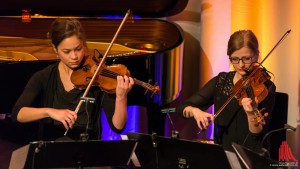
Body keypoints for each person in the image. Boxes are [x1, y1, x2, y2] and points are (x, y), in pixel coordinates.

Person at [11, 18, 134, 141]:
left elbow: (118, 127)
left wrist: (121, 98)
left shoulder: (97, 75)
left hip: (88, 149)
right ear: (55, 49)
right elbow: (18, 114)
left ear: (83, 44)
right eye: (67, 51)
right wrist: (50, 112)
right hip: (52, 149)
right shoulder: (45, 76)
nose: (74, 56)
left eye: (78, 49)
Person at [176, 30, 276, 153]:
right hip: (223, 153)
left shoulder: (266, 87)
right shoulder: (221, 81)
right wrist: (195, 111)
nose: (241, 65)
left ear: (256, 55)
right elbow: (182, 108)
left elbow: (258, 135)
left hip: (252, 155)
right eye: (235, 59)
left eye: (246, 58)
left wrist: (251, 114)